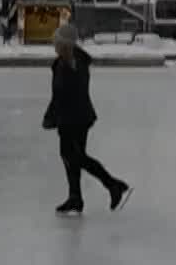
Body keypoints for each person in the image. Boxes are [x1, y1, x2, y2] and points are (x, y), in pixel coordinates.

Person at [42, 23, 130, 217]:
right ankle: (76, 197)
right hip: (70, 118)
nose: (54, 46)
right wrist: (52, 116)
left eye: (57, 43)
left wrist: (56, 116)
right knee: (72, 157)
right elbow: (58, 94)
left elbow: (72, 93)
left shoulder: (77, 63)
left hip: (77, 118)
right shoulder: (61, 63)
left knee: (75, 157)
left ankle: (113, 185)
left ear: (66, 44)